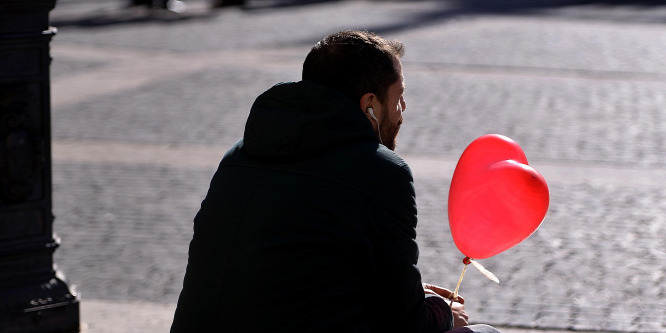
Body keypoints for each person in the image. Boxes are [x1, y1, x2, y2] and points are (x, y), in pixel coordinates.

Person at [170, 30, 500, 333]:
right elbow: (406, 323)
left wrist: (416, 293)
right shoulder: (381, 172)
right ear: (369, 104)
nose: (402, 109)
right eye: (398, 96)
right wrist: (443, 312)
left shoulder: (238, 156)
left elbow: (302, 272)